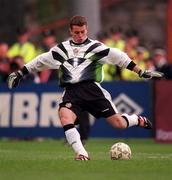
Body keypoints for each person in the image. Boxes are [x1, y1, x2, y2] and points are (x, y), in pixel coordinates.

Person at [7, 15, 153, 161]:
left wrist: (140, 71)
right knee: (65, 117)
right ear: (71, 31)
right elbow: (40, 61)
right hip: (72, 92)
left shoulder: (95, 47)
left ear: (86, 29)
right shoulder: (61, 49)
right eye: (77, 32)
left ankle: (137, 119)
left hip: (92, 90)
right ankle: (82, 153)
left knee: (119, 123)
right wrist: (20, 73)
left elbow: (120, 57)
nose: (80, 35)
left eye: (83, 32)